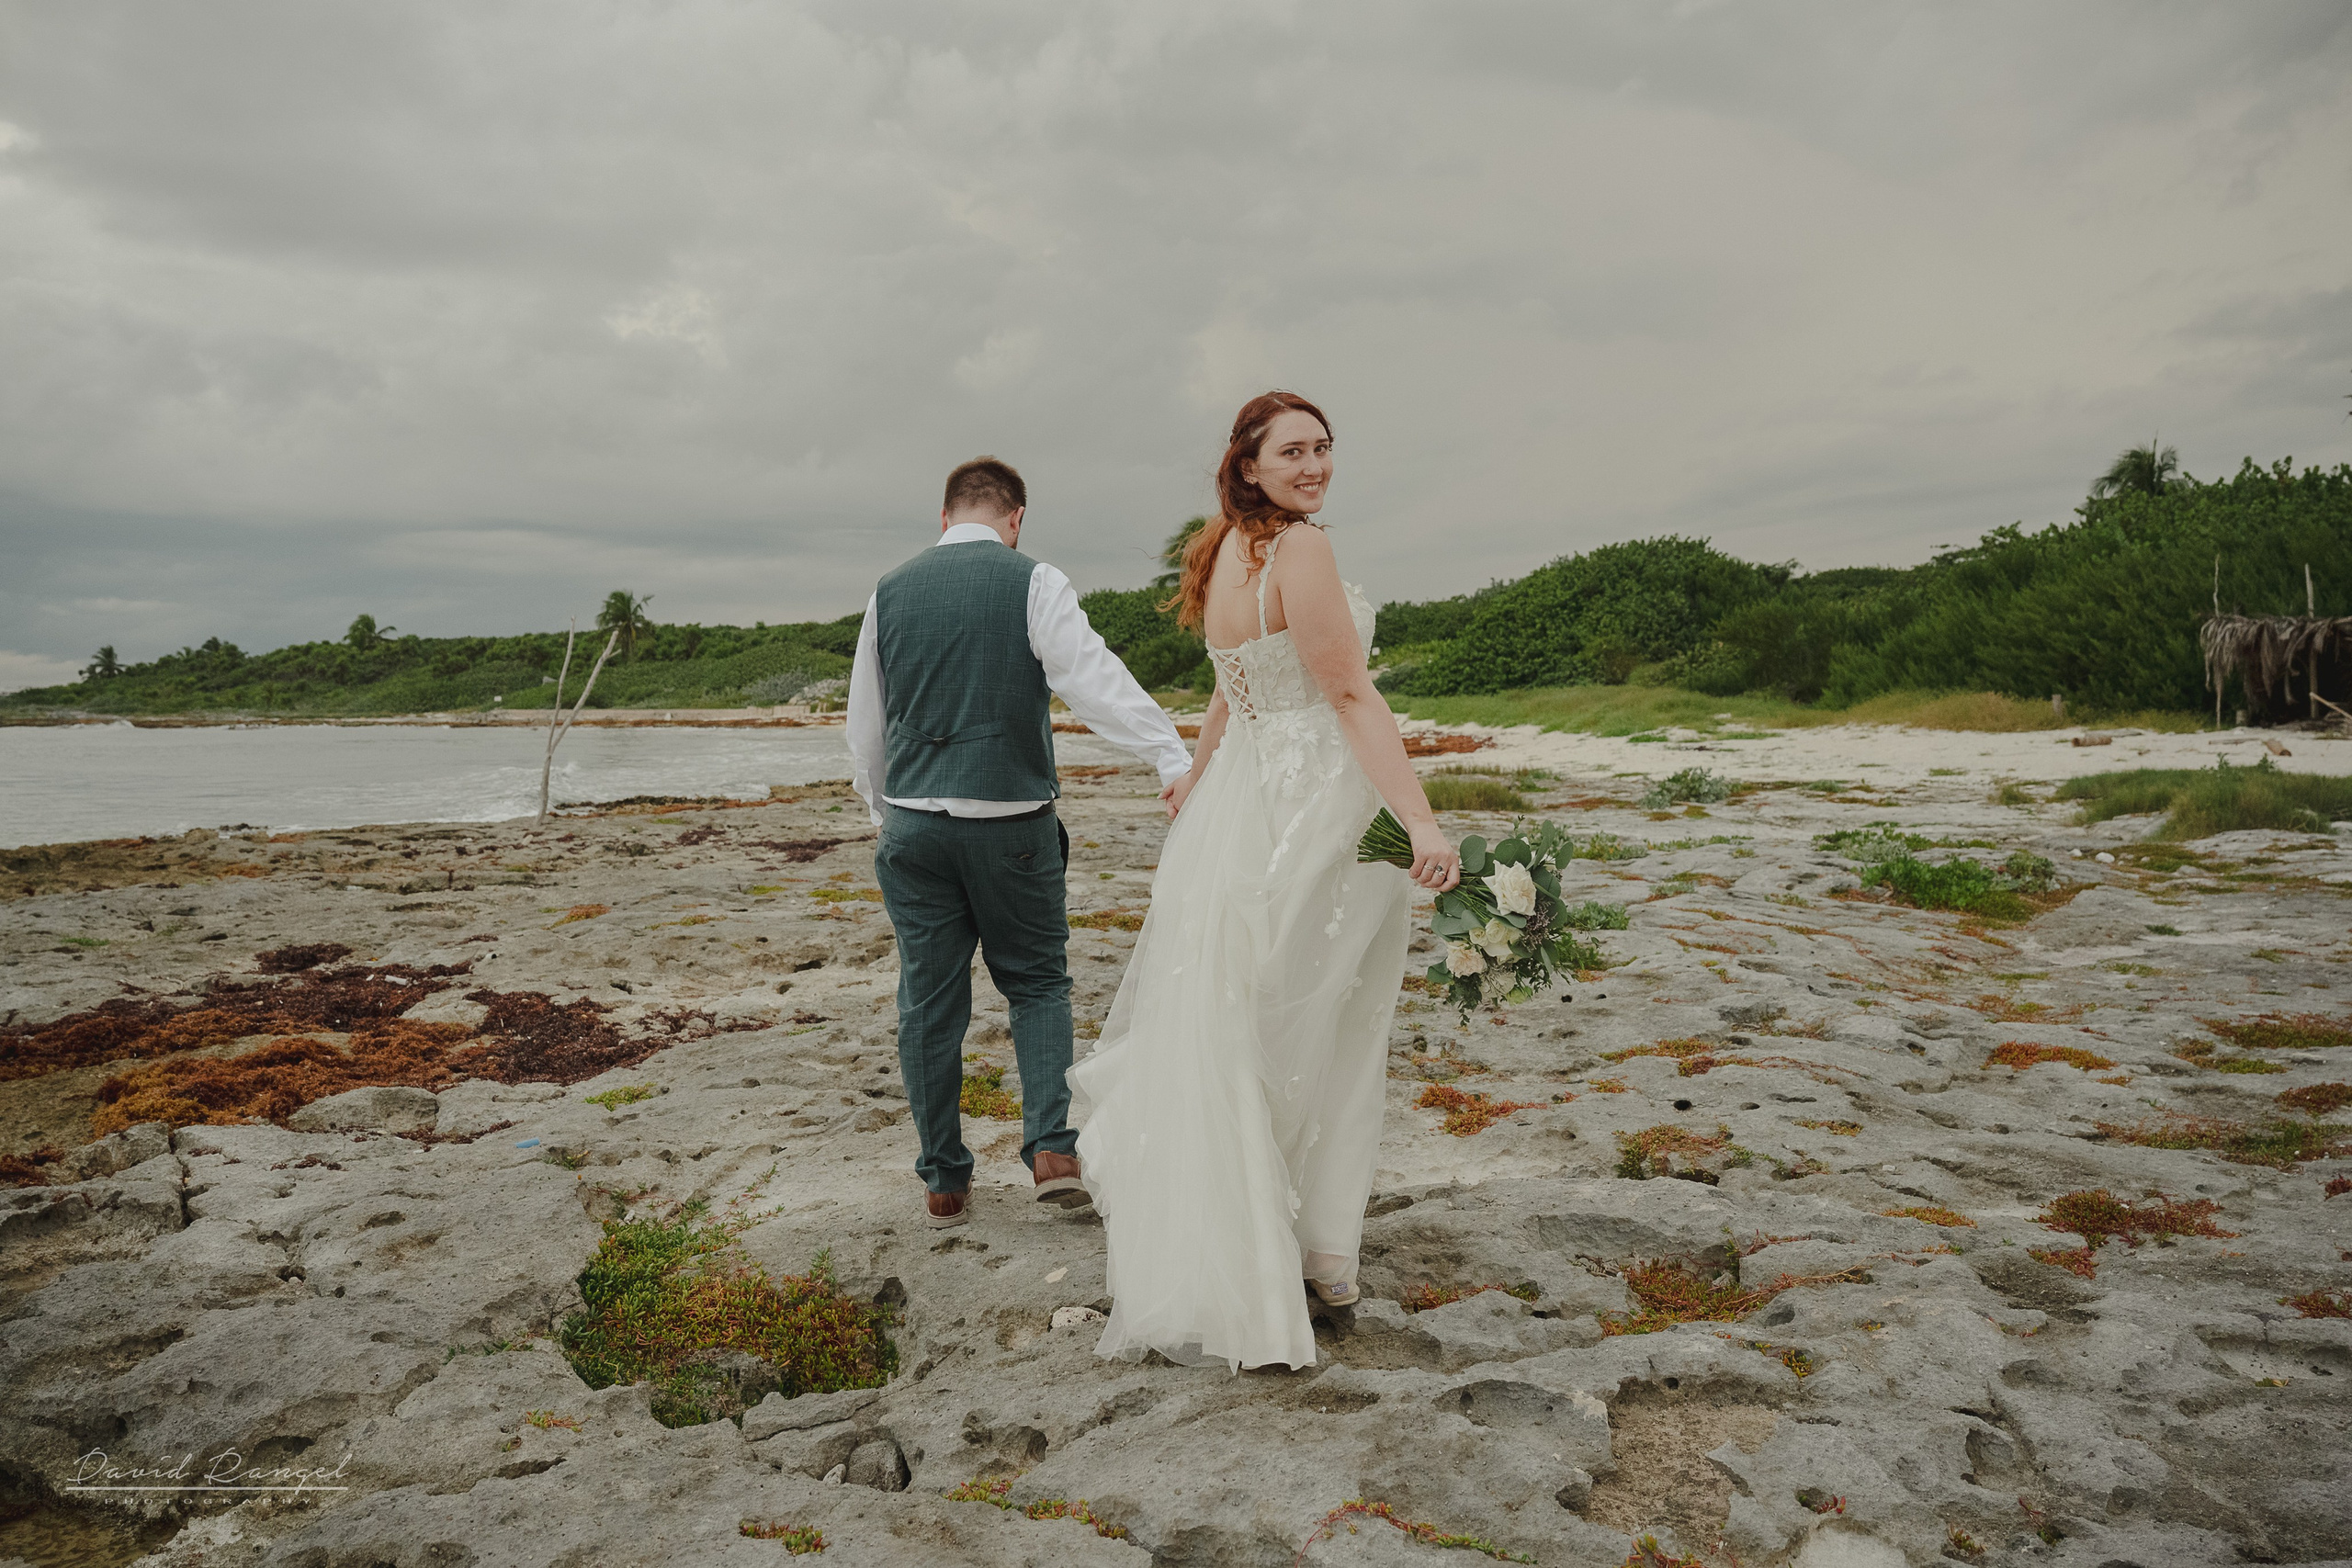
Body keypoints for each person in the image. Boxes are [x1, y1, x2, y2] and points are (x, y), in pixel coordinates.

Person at [1068, 391, 1461, 1371]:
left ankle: (1280, 1232)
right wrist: (1416, 817)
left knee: (1248, 1006)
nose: (1314, 465)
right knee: (1325, 1014)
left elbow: (1228, 679)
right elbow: (1345, 691)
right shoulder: (1302, 550)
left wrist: (1201, 775)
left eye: (1324, 448)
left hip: (1243, 799)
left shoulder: (1226, 548)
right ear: (1247, 464)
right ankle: (1307, 1248)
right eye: (1292, 451)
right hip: (1316, 797)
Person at [848, 457, 1193, 1230]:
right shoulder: (1032, 580)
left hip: (912, 828)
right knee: (1037, 983)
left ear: (944, 518)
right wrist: (1170, 755)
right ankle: (1050, 1151)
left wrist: (889, 815)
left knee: (928, 1004)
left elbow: (864, 727)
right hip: (1012, 825)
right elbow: (1092, 679)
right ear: (1016, 517)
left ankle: (943, 1178)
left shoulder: (888, 591)